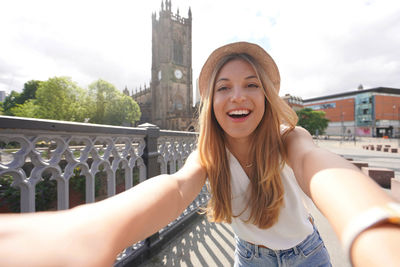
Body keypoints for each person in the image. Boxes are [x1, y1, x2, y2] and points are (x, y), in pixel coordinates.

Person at [1, 42, 400, 267]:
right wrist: (92, 228)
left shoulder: (288, 137)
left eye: (251, 84)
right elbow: (175, 188)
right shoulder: (209, 152)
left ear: (266, 96)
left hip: (308, 255)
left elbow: (320, 167)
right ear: (210, 102)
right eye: (223, 87)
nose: (238, 95)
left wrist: (373, 222)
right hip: (250, 259)